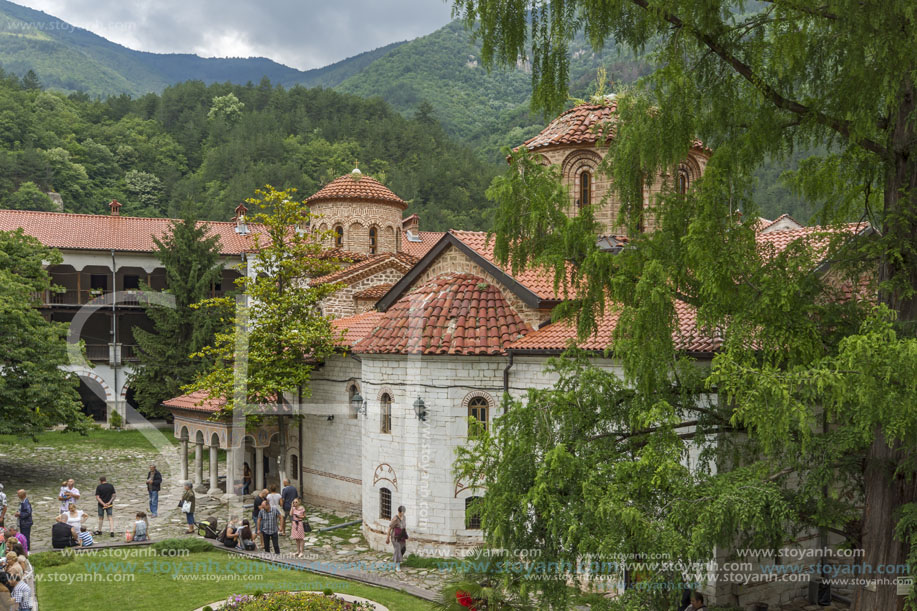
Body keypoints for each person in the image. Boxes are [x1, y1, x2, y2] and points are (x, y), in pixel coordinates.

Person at [385, 505, 408, 569]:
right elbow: (390, 527)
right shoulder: (395, 519)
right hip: (395, 537)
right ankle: (397, 566)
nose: (402, 514)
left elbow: (404, 526)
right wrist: (387, 538)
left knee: (403, 548)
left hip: (402, 536)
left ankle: (395, 560)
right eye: (402, 512)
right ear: (399, 512)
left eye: (404, 512)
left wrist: (405, 534)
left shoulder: (404, 517)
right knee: (397, 549)